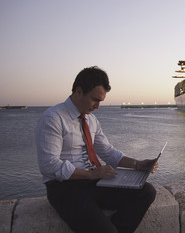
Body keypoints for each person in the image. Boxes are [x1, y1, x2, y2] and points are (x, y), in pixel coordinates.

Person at [35, 66, 157, 233]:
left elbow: (107, 151)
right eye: (95, 100)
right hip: (64, 188)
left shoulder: (91, 120)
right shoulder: (53, 118)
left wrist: (138, 164)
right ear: (78, 91)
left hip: (93, 182)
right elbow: (49, 165)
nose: (98, 106)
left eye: (100, 101)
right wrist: (91, 174)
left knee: (147, 191)